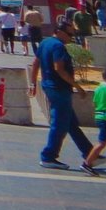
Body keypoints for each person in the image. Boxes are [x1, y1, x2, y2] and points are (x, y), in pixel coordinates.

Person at [29, 19, 93, 171]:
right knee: (59, 124)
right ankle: (48, 156)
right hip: (59, 88)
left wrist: (33, 83)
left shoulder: (45, 42)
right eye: (69, 34)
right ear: (58, 32)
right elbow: (59, 69)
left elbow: (35, 63)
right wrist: (77, 86)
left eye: (73, 34)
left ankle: (90, 153)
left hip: (49, 86)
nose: (71, 37)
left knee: (70, 123)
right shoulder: (58, 46)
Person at [84, 66, 106, 174]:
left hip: (99, 117)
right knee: (102, 143)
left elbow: (94, 103)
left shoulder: (98, 88)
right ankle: (87, 163)